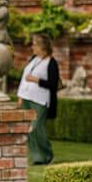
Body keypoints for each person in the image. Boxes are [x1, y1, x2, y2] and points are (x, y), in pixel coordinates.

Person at [16, 32, 59, 165]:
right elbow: (24, 78)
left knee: (36, 128)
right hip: (26, 98)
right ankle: (37, 158)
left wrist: (36, 80)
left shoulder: (51, 62)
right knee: (28, 129)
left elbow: (53, 84)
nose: (32, 47)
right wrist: (20, 96)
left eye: (34, 45)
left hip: (40, 100)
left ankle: (47, 154)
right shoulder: (34, 59)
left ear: (42, 47)